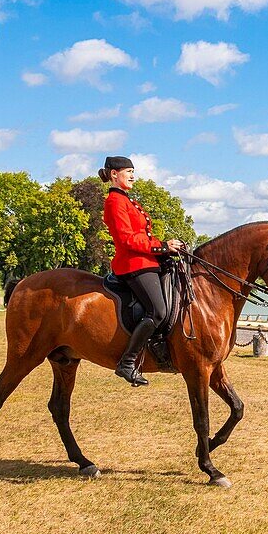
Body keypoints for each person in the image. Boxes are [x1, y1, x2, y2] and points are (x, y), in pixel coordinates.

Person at [99, 156, 186, 386]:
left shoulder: (128, 201)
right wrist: (160, 247)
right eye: (128, 171)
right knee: (157, 310)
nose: (132, 176)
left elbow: (144, 236)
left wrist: (167, 247)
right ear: (114, 174)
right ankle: (127, 363)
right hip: (133, 264)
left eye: (133, 172)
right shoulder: (114, 202)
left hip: (147, 261)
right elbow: (127, 239)